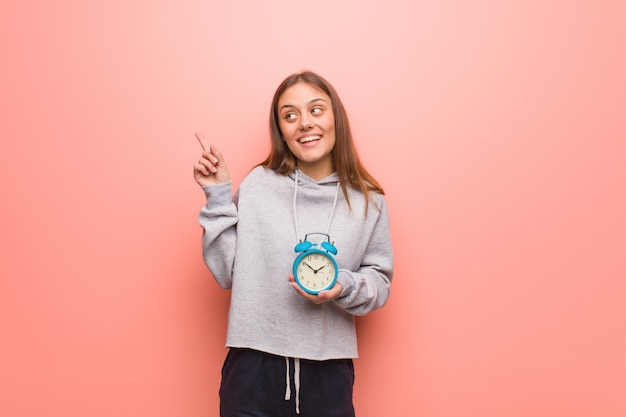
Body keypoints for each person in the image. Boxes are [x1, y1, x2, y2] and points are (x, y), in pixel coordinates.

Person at [193, 71, 394, 417]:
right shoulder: (258, 185)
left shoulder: (369, 200)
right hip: (252, 365)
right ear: (282, 132)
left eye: (316, 110)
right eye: (290, 115)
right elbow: (228, 274)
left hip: (328, 369)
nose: (304, 123)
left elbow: (380, 280)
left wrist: (343, 285)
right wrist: (218, 196)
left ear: (335, 119)